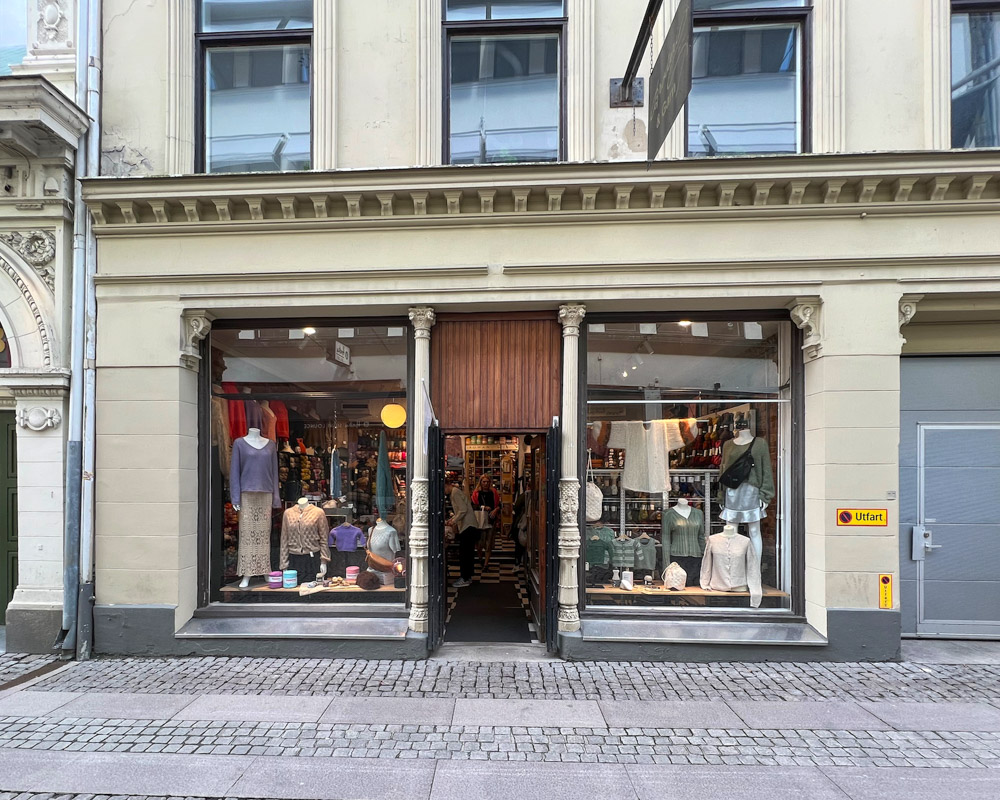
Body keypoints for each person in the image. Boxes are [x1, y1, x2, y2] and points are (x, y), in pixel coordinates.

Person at [447, 477, 478, 588]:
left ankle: (465, 577)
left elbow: (463, 509)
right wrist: (453, 519)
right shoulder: (455, 492)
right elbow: (461, 510)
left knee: (465, 554)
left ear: (447, 485)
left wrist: (454, 521)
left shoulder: (455, 492)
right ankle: (467, 576)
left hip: (467, 526)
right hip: (468, 526)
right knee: (467, 553)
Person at [471, 473, 501, 567]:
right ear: (480, 482)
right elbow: (473, 506)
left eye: (487, 482)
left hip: (491, 519)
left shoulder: (493, 492)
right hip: (479, 520)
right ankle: (480, 558)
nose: (486, 483)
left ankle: (486, 564)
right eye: (484, 482)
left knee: (489, 543)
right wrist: (483, 507)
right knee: (480, 543)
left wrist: (496, 510)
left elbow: (499, 505)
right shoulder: (476, 493)